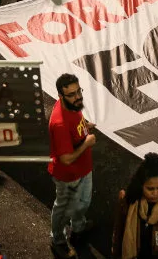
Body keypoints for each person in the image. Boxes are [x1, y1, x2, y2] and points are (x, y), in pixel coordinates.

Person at [49, 73, 96, 259]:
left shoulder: (71, 105)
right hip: (68, 176)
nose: (78, 97)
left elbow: (76, 120)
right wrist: (87, 143)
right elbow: (66, 159)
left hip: (84, 169)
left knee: (83, 202)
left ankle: (78, 228)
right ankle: (58, 240)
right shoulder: (59, 123)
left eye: (79, 91)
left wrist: (84, 124)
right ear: (61, 96)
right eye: (72, 94)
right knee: (63, 208)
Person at [111, 153, 158, 259]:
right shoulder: (129, 203)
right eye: (150, 189)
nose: (155, 193)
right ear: (141, 186)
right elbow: (119, 234)